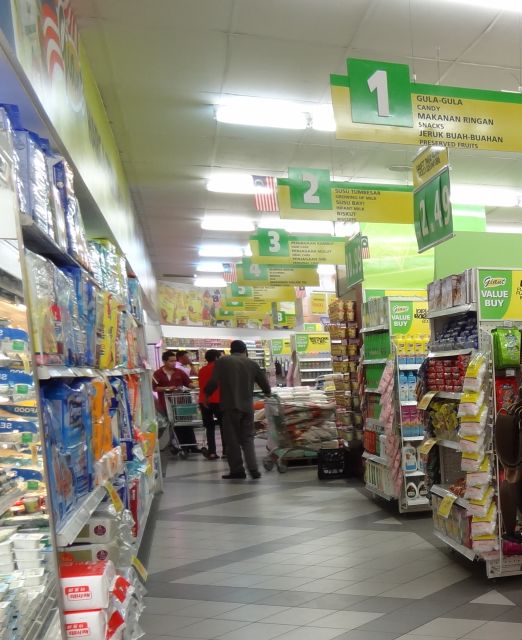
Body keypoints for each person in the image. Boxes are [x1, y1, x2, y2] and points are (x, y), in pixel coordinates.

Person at [205, 340, 271, 480]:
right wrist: (267, 393)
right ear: (245, 350)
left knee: (232, 440)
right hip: (247, 407)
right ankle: (253, 469)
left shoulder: (222, 362)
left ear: (230, 350)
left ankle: (237, 470)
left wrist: (206, 395)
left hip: (230, 407)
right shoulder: (252, 363)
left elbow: (213, 382)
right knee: (248, 438)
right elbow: (264, 384)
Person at [152, 350, 199, 453]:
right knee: (176, 425)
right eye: (171, 361)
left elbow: (188, 383)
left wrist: (196, 387)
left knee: (187, 423)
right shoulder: (157, 374)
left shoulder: (179, 372)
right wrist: (167, 388)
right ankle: (183, 446)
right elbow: (154, 388)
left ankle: (193, 446)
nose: (174, 363)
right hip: (167, 403)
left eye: (174, 361)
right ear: (164, 361)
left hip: (182, 402)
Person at [198, 349, 226, 460]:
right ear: (216, 358)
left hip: (204, 401)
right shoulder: (221, 369)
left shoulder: (201, 370)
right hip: (218, 400)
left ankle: (212, 452)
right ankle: (226, 452)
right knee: (224, 426)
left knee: (209, 427)